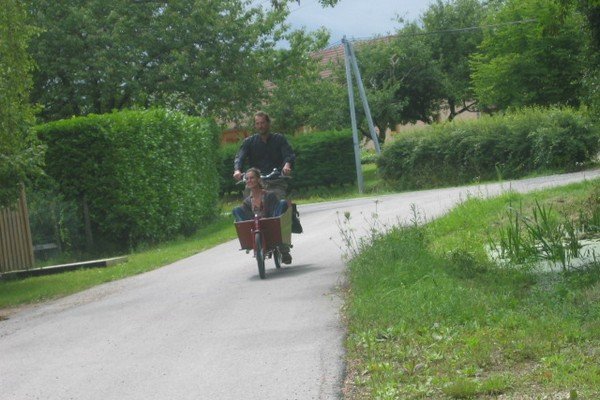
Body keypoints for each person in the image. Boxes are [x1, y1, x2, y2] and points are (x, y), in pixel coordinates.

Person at [232, 168, 292, 264]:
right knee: (236, 210)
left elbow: (273, 211)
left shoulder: (269, 195)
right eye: (247, 179)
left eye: (252, 178)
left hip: (270, 224)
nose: (249, 181)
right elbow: (245, 214)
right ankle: (246, 236)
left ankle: (282, 246)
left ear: (258, 179)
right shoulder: (247, 201)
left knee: (283, 203)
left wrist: (268, 218)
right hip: (254, 225)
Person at [233, 111, 295, 199]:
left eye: (262, 123)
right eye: (257, 123)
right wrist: (237, 170)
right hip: (255, 181)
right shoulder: (249, 142)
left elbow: (289, 154)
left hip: (275, 180)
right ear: (255, 125)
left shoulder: (279, 139)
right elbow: (240, 157)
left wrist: (287, 165)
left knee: (277, 201)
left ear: (268, 123)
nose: (260, 126)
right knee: (248, 201)